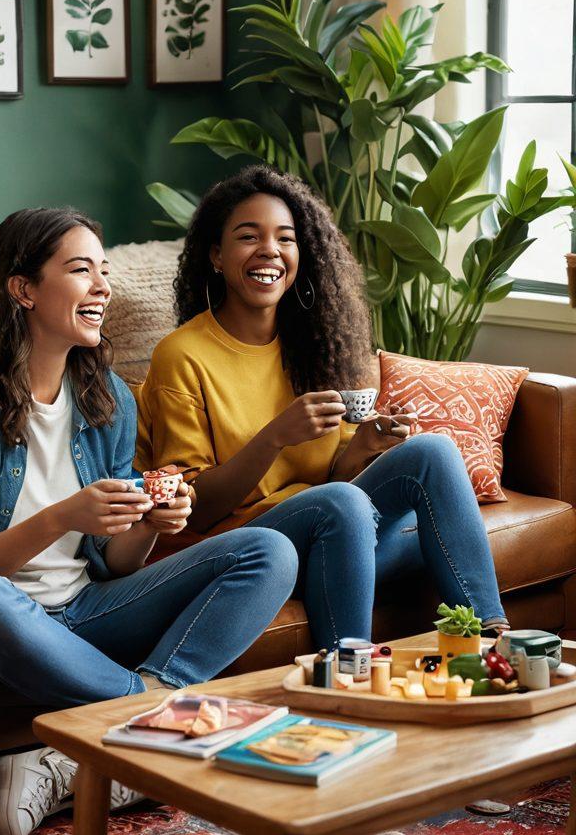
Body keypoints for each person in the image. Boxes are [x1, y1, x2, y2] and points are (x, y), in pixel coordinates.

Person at [0, 206, 298, 835]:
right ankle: (170, 720)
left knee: (268, 549)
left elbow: (113, 565)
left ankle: (89, 755)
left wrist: (149, 526)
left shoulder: (108, 396)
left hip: (85, 609)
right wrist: (64, 515)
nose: (103, 287)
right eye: (81, 270)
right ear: (23, 288)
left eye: (103, 272)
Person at [137, 165, 509, 648]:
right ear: (216, 255)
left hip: (334, 532)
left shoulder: (313, 344)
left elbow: (333, 476)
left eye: (285, 238)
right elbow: (195, 511)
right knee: (366, 511)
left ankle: (494, 642)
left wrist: (363, 449)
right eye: (248, 236)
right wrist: (274, 437)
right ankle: (347, 666)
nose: (269, 250)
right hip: (249, 548)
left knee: (432, 453)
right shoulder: (182, 355)